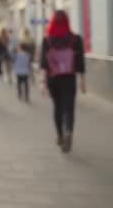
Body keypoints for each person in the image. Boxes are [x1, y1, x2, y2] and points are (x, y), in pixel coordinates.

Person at [40, 10, 86, 153]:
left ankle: (60, 135)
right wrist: (83, 81)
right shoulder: (75, 39)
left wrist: (42, 82)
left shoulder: (47, 40)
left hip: (53, 79)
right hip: (69, 78)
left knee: (58, 107)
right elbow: (80, 62)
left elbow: (44, 64)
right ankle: (68, 131)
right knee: (69, 107)